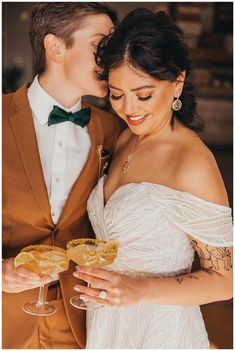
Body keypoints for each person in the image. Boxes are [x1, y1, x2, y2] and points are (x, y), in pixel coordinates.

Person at [72, 9, 233, 349]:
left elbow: (227, 279)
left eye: (143, 95)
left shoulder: (191, 161)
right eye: (116, 94)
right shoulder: (123, 137)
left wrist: (138, 290)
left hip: (159, 329)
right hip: (105, 322)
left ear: (177, 82)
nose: (129, 108)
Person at [2, 2, 120, 349]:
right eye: (101, 45)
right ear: (55, 47)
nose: (111, 59)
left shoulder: (111, 129)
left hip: (81, 322)